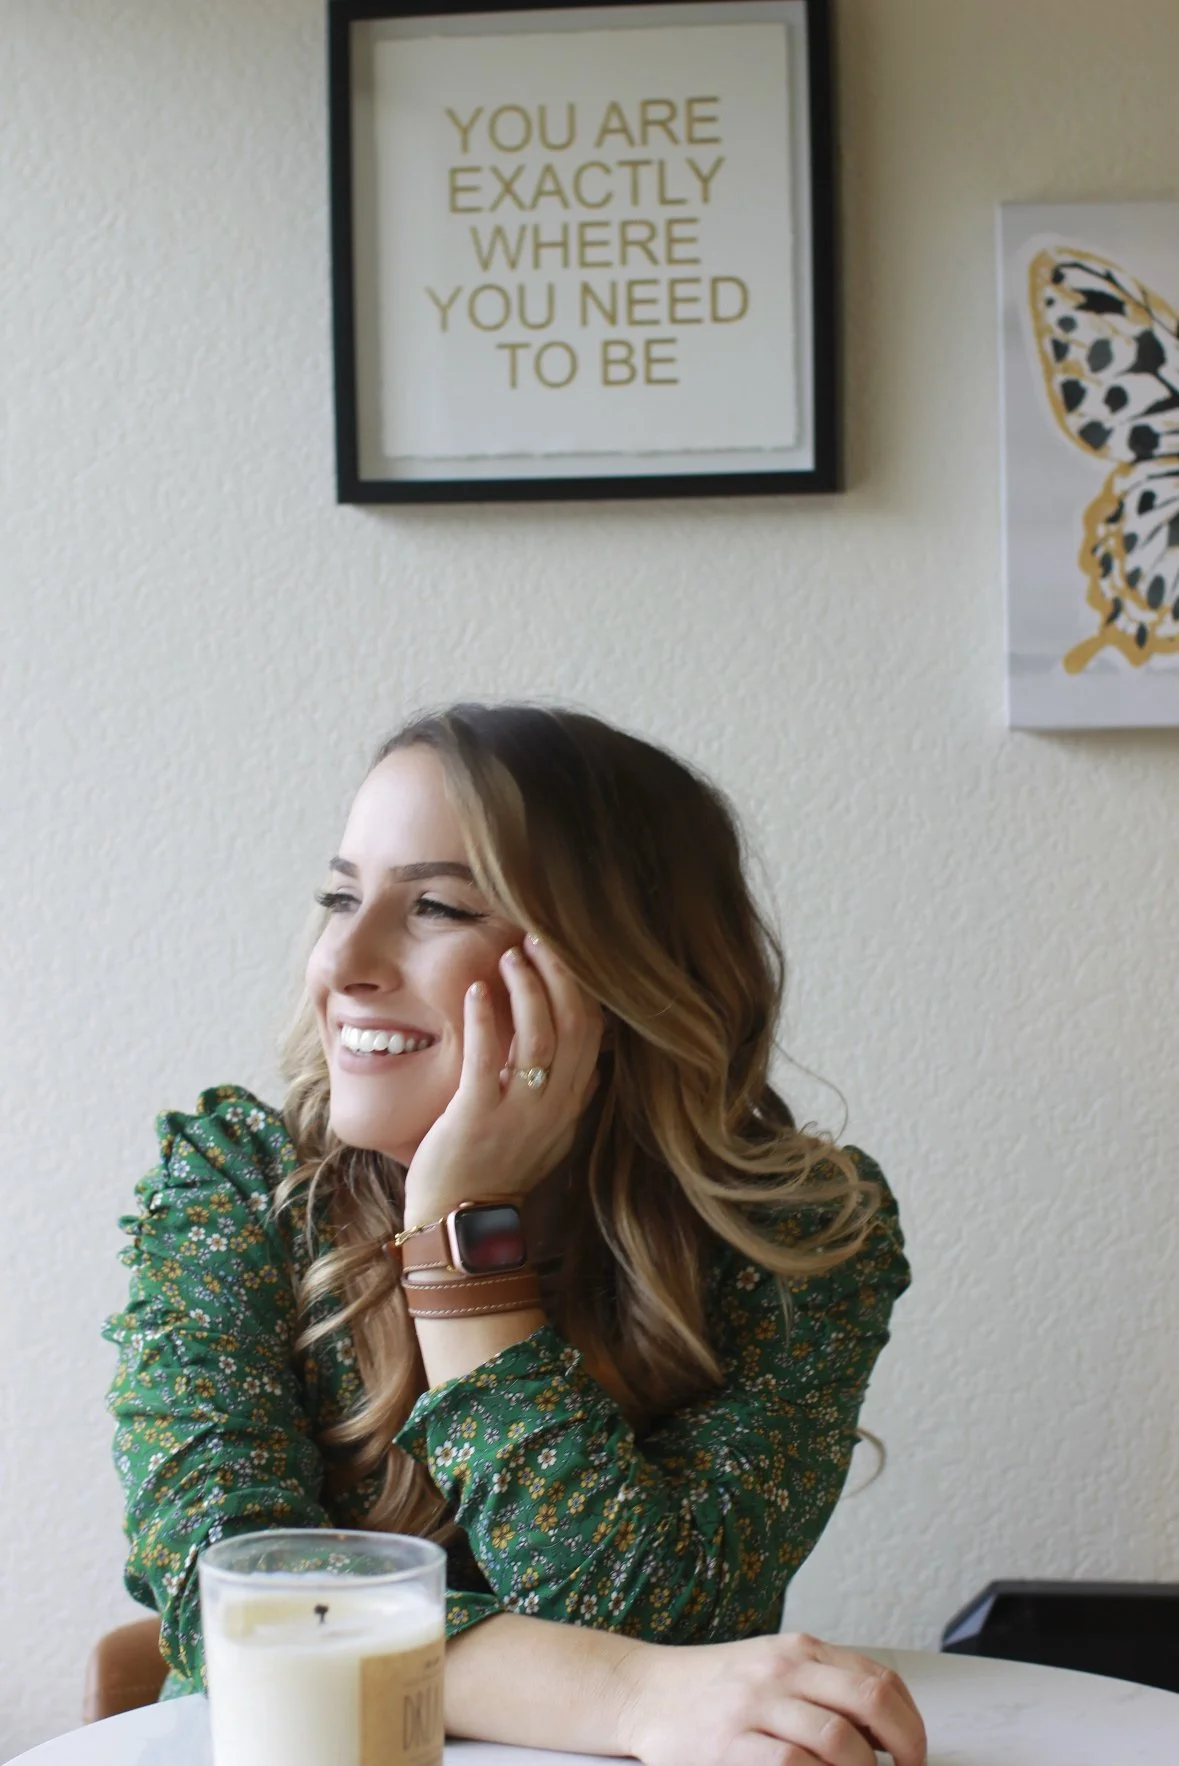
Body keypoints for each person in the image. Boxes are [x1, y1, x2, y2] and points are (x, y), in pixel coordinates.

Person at [104, 703, 924, 1766]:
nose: (342, 958)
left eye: (435, 904)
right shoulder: (233, 1185)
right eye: (340, 895)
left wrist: (461, 1254)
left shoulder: (797, 1233)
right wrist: (627, 1695)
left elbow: (663, 1615)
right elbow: (242, 1599)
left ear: (618, 964)